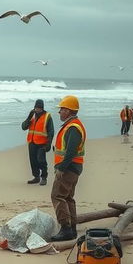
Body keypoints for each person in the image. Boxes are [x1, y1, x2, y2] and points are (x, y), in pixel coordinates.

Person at [50, 95, 86, 241]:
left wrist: (61, 168)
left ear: (70, 111)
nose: (59, 112)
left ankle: (65, 228)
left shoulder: (73, 128)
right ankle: (72, 229)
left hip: (68, 169)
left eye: (62, 109)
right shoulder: (72, 125)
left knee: (57, 196)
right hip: (73, 168)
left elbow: (70, 152)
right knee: (68, 198)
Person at [21, 98, 54, 186]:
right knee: (33, 161)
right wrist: (28, 117)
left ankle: (44, 177)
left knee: (41, 160)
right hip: (32, 142)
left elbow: (51, 131)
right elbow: (23, 127)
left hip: (42, 143)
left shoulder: (47, 117)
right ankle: (36, 177)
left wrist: (49, 143)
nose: (37, 109)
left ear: (42, 108)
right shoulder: (32, 115)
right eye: (36, 108)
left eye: (39, 108)